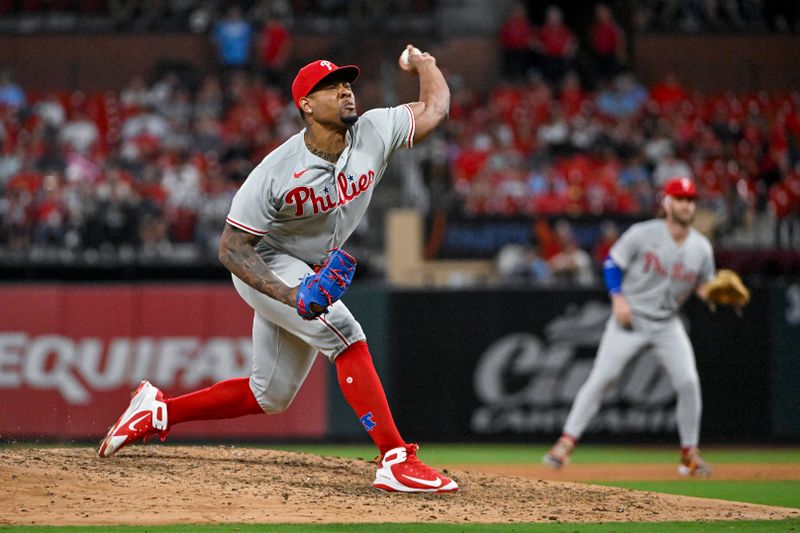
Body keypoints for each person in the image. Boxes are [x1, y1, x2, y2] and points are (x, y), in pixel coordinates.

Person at [98, 45, 457, 494]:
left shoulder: (376, 129)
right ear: (305, 104)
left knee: (271, 394)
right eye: (330, 87)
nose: (345, 91)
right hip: (268, 262)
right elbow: (231, 248)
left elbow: (435, 108)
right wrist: (290, 295)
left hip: (309, 266)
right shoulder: (277, 170)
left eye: (346, 83)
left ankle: (158, 411)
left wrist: (424, 64)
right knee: (344, 330)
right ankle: (394, 458)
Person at [543, 177, 716, 477]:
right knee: (601, 378)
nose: (686, 205)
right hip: (630, 320)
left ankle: (689, 453)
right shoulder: (643, 233)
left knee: (688, 382)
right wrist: (618, 298)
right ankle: (565, 443)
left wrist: (716, 294)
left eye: (691, 200)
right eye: (680, 198)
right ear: (667, 202)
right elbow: (612, 264)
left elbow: (705, 287)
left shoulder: (701, 248)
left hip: (666, 323)